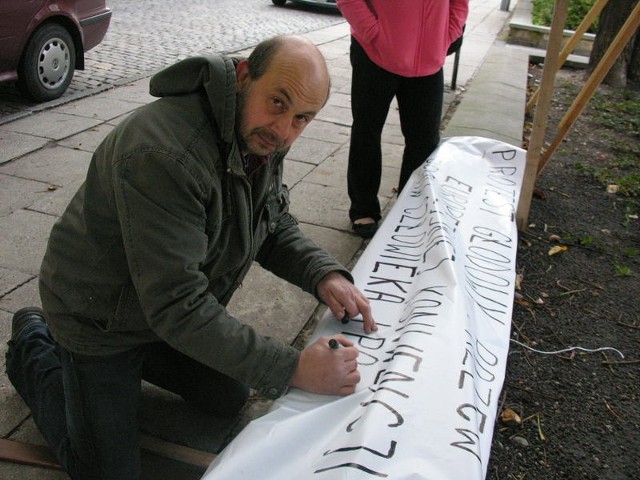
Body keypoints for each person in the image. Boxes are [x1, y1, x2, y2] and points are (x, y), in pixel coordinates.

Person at [6, 35, 377, 480]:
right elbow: (179, 306)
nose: (284, 131)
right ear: (244, 77)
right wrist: (294, 367)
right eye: (277, 103)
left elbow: (270, 222)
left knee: (229, 398)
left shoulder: (257, 130)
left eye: (302, 118)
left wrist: (323, 275)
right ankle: (33, 339)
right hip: (98, 319)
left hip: (155, 310)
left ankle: (135, 363)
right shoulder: (164, 153)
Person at [337, 0, 469, 238]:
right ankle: (363, 208)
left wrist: (446, 36)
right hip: (373, 53)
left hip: (429, 58)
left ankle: (409, 209)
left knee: (425, 141)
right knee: (366, 131)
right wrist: (375, 34)